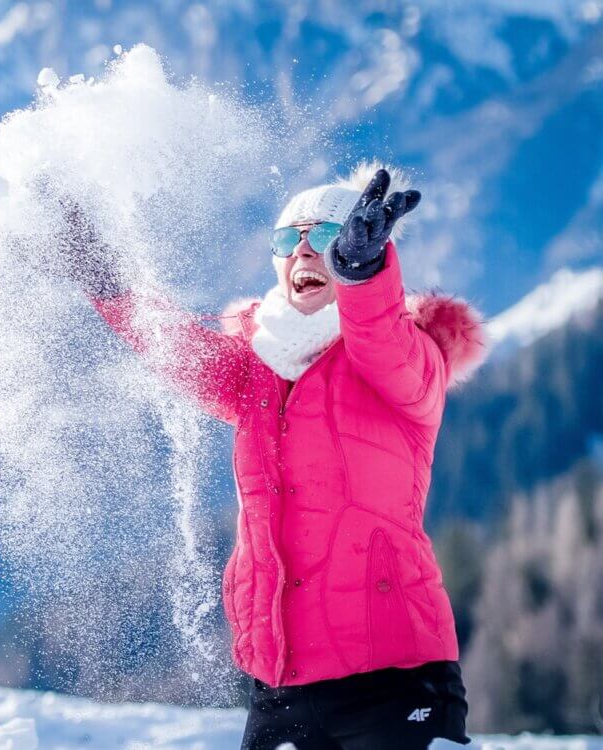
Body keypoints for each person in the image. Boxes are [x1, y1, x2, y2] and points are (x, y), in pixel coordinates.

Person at [61, 166, 485, 749]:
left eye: (326, 236)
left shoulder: (408, 361)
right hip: (281, 681)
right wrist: (103, 280)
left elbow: (382, 338)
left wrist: (364, 274)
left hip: (394, 678)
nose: (305, 250)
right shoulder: (255, 367)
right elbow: (174, 346)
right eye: (289, 240)